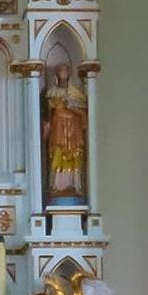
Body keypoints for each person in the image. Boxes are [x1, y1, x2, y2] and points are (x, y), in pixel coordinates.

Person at [42, 59, 87, 200]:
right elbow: (48, 114)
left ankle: (75, 185)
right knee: (57, 154)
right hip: (58, 128)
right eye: (60, 70)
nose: (63, 73)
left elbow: (83, 111)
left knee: (75, 155)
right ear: (56, 74)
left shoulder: (75, 92)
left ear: (69, 74)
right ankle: (57, 186)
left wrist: (71, 105)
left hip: (73, 128)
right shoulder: (51, 92)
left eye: (65, 70)